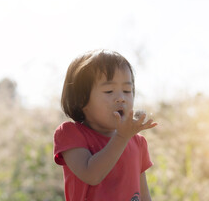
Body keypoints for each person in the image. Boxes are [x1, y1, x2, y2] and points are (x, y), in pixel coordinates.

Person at [53, 49, 157, 200]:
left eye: (127, 90)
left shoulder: (137, 141)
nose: (121, 98)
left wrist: (125, 136)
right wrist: (122, 137)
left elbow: (144, 194)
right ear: (82, 99)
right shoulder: (70, 134)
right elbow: (92, 175)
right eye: (109, 91)